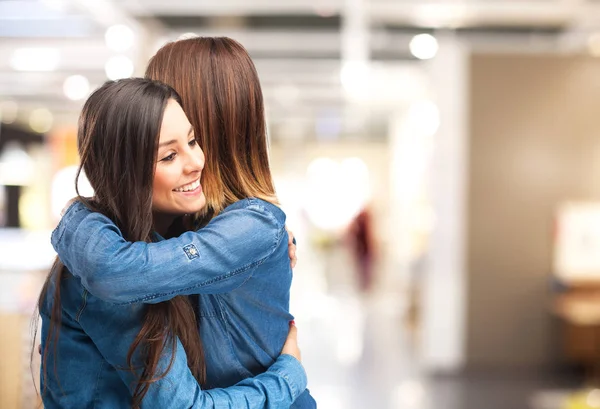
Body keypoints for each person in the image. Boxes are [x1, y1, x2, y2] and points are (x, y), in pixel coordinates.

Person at [51, 37, 317, 408]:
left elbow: (112, 270)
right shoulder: (161, 241)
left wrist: (75, 218)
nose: (153, 104)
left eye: (191, 139)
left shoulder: (251, 226)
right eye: (168, 152)